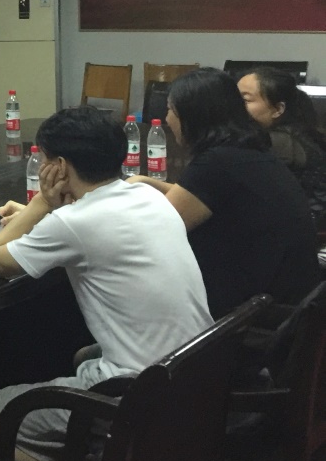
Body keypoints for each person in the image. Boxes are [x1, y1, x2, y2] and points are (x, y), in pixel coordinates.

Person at [0, 107, 212, 461]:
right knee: (83, 357)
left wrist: (42, 202)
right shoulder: (147, 194)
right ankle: (100, 454)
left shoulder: (73, 222)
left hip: (141, 391)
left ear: (59, 167)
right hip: (196, 370)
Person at [131, 67, 318, 318]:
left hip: (252, 317)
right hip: (291, 305)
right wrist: (148, 182)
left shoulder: (216, 163)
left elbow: (151, 233)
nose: (166, 119)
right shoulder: (247, 151)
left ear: (191, 116)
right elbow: (204, 197)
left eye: (170, 109)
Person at [239, 66, 326, 226]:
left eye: (245, 100)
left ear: (278, 109)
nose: (235, 106)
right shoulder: (295, 132)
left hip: (302, 228)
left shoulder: (280, 141)